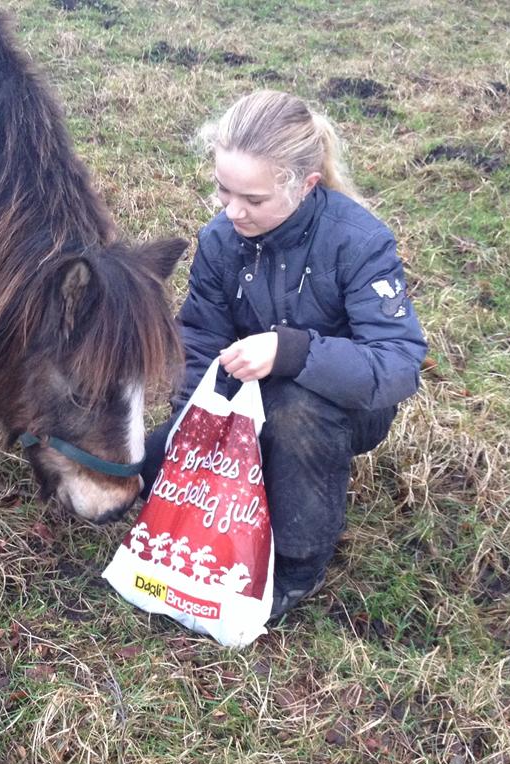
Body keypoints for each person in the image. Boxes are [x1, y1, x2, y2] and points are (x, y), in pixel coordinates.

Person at [141, 90, 427, 622]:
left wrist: (293, 352)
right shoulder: (221, 238)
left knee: (295, 409)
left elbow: (398, 365)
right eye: (223, 191)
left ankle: (298, 564)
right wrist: (189, 429)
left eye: (252, 199)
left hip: (346, 406)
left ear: (305, 185)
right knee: (149, 465)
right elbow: (202, 340)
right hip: (248, 391)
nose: (233, 210)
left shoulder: (358, 242)